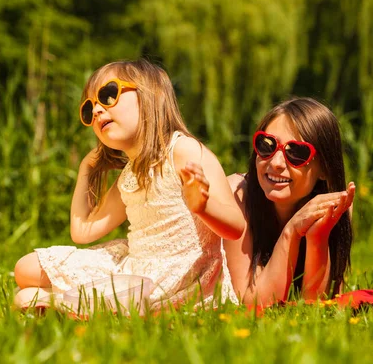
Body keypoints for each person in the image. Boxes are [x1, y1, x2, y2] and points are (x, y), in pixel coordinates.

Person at [13, 58, 244, 311]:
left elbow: (236, 226)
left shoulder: (184, 150)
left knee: (24, 297)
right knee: (25, 269)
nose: (98, 111)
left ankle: (66, 302)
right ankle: (73, 303)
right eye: (89, 110)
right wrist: (85, 169)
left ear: (150, 95)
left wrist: (203, 206)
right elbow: (82, 232)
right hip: (136, 270)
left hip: (180, 279)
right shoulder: (130, 175)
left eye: (108, 95)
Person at [224, 97, 355, 306]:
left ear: (325, 168)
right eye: (267, 145)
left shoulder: (334, 206)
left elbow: (316, 305)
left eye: (296, 153)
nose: (276, 163)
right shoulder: (235, 197)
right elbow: (252, 302)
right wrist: (291, 232)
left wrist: (317, 237)